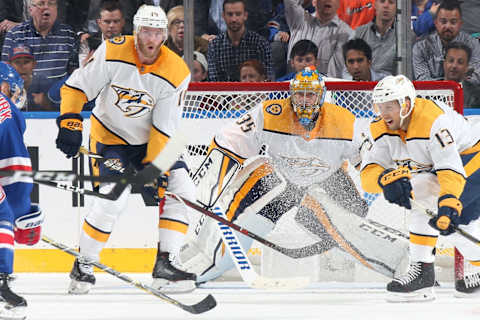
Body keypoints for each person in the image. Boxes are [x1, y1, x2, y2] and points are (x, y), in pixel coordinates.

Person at [180, 66, 410, 284]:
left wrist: (385, 177)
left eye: (310, 96)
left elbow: (367, 160)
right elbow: (228, 142)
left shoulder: (343, 121)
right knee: (257, 192)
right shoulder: (270, 113)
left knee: (351, 222)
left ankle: (405, 263)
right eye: (299, 95)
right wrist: (209, 190)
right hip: (282, 181)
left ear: (321, 97)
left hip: (327, 182)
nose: (304, 101)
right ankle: (204, 264)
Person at [55, 5, 197, 294]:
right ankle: (83, 265)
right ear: (135, 30)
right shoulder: (112, 51)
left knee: (183, 188)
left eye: (157, 32)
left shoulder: (177, 71)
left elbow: (165, 128)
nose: (151, 38)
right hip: (111, 138)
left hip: (156, 140)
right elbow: (75, 87)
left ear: (165, 36)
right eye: (146, 30)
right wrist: (70, 121)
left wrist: (153, 168)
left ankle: (165, 265)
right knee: (112, 199)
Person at [360, 74, 480, 301]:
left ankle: (422, 274)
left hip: (474, 156)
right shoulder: (382, 127)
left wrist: (449, 204)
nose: (384, 113)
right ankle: (423, 273)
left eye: (390, 106)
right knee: (440, 209)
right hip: (449, 167)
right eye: (380, 106)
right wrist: (384, 179)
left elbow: (450, 170)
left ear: (406, 103)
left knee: (440, 209)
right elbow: (368, 173)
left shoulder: (433, 122)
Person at [0, 61, 42, 319]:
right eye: (11, 88)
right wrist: (23, 216)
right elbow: (15, 175)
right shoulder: (5, 108)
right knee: (2, 214)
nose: (16, 94)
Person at [1, 0, 78, 92]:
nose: (46, 7)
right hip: (23, 96)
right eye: (41, 4)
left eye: (51, 4)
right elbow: (4, 72)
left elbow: (74, 73)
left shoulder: (68, 34)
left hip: (57, 98)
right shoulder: (15, 34)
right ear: (31, 10)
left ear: (56, 9)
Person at [413, 0, 480, 84]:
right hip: (431, 96)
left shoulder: (472, 44)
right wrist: (449, 84)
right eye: (443, 22)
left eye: (453, 22)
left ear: (460, 24)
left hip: (467, 95)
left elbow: (476, 78)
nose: (448, 26)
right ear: (436, 23)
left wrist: (447, 83)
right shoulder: (421, 48)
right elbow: (423, 82)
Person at [206, 0, 274, 82]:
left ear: (245, 15)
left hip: (255, 93)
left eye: (238, 14)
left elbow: (268, 80)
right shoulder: (214, 46)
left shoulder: (260, 44)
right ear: (223, 16)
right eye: (230, 14)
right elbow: (215, 83)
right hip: (224, 94)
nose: (234, 19)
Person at [285, 0, 353, 78]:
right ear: (314, 2)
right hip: (290, 85)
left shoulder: (346, 33)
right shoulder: (299, 19)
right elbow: (290, 2)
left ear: (339, 3)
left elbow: (336, 73)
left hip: (324, 87)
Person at [355, 0, 415, 76]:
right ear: (375, 4)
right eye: (382, 1)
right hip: (364, 85)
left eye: (391, 2)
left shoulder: (407, 36)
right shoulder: (359, 33)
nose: (386, 6)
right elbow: (347, 70)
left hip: (393, 86)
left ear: (397, 7)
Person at [78, 0, 126, 67]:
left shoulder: (133, 42)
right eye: (107, 21)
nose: (111, 25)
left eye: (116, 21)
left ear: (123, 22)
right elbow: (82, 70)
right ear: (99, 23)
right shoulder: (88, 42)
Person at [443, 42, 480, 108]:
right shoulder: (428, 91)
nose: (454, 66)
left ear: (467, 67)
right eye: (451, 61)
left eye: (460, 62)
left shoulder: (477, 94)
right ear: (444, 64)